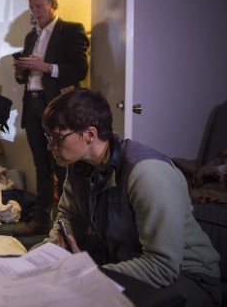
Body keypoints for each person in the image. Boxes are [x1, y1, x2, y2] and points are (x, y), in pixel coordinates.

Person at [37, 88, 222, 306]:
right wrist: (40, 257)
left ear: (89, 134)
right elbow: (69, 217)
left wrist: (88, 273)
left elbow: (163, 266)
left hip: (188, 276)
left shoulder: (148, 174)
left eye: (57, 138)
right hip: (126, 263)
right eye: (49, 137)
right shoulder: (79, 166)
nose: (50, 146)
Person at [13, 0, 89, 236]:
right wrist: (22, 70)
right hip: (31, 103)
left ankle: (69, 225)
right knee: (40, 164)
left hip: (56, 105)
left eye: (39, 6)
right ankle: (41, 220)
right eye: (32, 8)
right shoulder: (30, 37)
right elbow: (26, 78)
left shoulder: (70, 30)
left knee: (62, 164)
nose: (35, 12)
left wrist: (45, 66)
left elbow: (80, 70)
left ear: (52, 4)